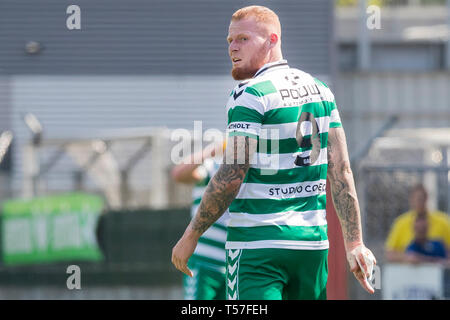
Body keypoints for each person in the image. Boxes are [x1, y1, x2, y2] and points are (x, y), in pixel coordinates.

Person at [172, 5, 376, 300]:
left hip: (258, 246)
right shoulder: (322, 91)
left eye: (243, 39)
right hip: (312, 246)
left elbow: (232, 173)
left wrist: (191, 235)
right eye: (230, 41)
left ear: (272, 39)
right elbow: (341, 170)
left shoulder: (250, 93)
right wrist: (354, 243)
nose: (233, 47)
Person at [171, 140, 228, 299]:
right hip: (205, 261)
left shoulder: (248, 171)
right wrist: (212, 150)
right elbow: (179, 173)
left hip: (232, 265)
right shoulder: (213, 166)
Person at [385, 184, 450, 263]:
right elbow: (390, 253)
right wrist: (408, 258)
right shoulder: (401, 223)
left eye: (421, 199)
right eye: (416, 199)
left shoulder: (442, 223)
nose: (418, 202)